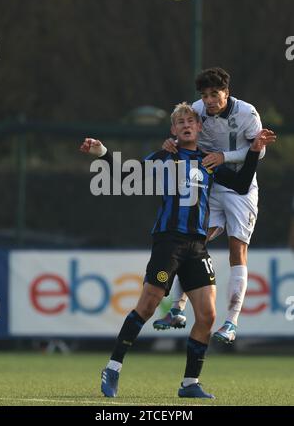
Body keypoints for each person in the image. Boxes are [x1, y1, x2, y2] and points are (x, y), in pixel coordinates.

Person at [80, 102, 275, 399]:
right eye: (180, 121)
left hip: (196, 245)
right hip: (168, 242)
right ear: (173, 130)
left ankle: (190, 383)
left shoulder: (208, 161)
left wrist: (254, 150)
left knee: (208, 316)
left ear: (199, 128)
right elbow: (126, 176)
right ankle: (113, 367)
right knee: (146, 307)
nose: (186, 124)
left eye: (190, 121)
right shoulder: (164, 157)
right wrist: (103, 153)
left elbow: (241, 183)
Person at [153, 67, 266, 343]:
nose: (210, 101)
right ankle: (177, 309)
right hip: (212, 184)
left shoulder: (247, 113)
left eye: (215, 94)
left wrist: (223, 156)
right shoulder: (196, 110)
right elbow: (184, 134)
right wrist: (171, 142)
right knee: (195, 241)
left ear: (227, 93)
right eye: (205, 95)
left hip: (241, 186)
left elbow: (258, 151)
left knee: (237, 250)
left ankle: (231, 323)